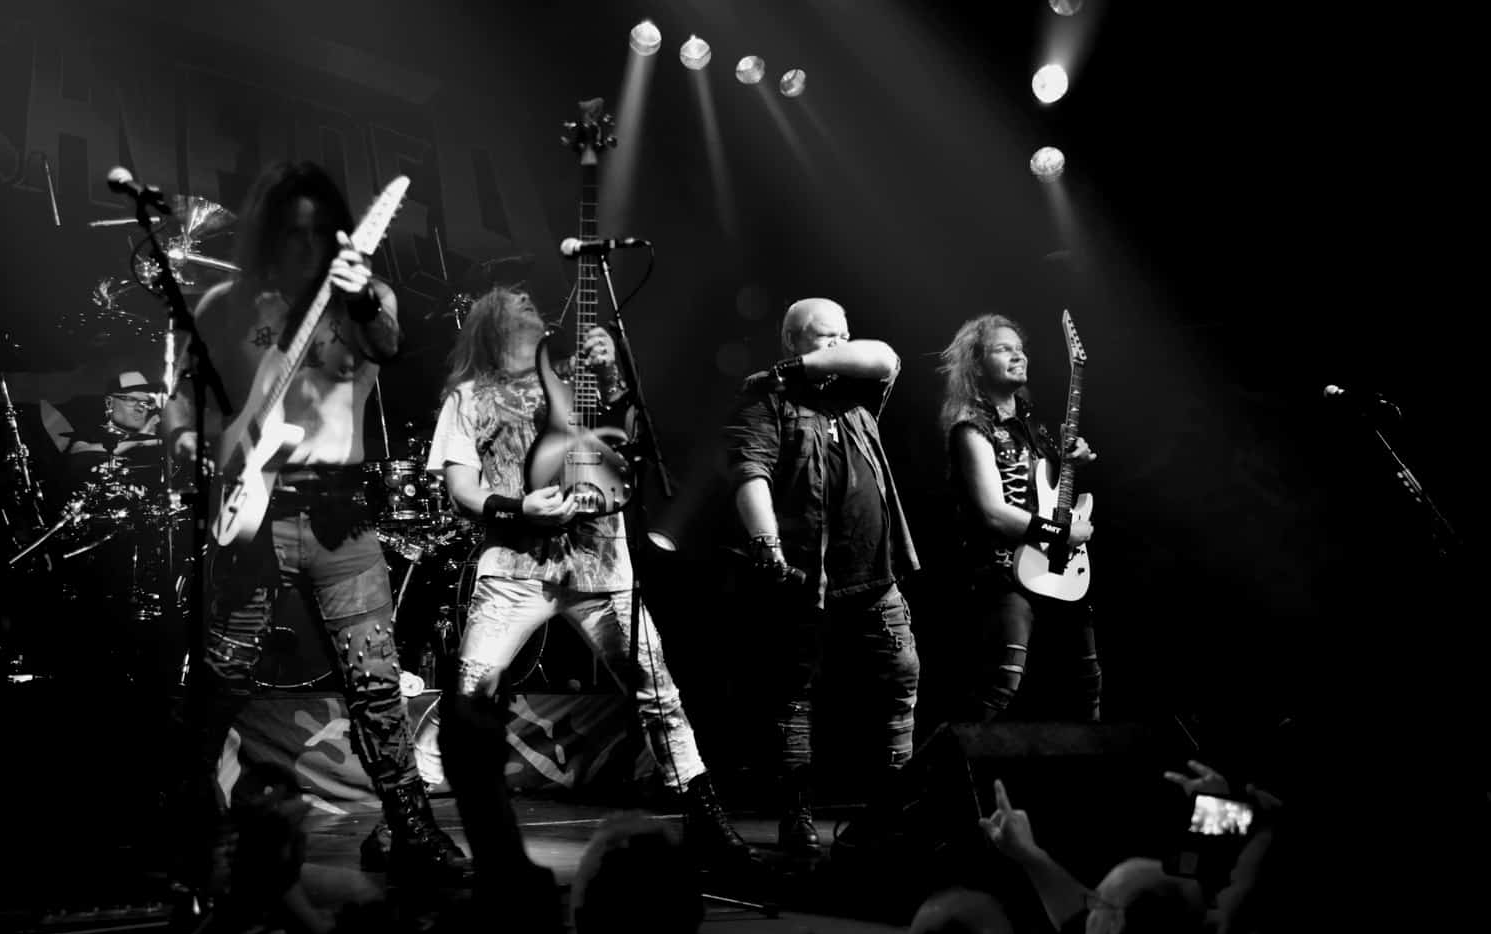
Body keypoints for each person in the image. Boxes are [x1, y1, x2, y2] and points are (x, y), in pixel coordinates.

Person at [160, 160, 467, 897]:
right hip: (253, 507)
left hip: (339, 510)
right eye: (290, 232)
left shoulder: (366, 298)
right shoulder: (228, 304)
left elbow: (387, 344)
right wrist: (191, 444)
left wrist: (358, 296)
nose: (304, 245)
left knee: (376, 683)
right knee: (221, 679)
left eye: (317, 231)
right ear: (268, 233)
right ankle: (186, 828)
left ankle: (410, 827)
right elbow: (180, 399)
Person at [425, 285, 750, 866]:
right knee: (470, 697)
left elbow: (635, 445)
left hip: (601, 564)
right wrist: (518, 509)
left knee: (658, 693)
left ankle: (706, 819)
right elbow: (461, 489)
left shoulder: (582, 379)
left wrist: (613, 372)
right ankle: (415, 823)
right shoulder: (468, 397)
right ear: (492, 326)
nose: (531, 305)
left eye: (533, 302)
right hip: (514, 571)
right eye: (517, 304)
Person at [722, 297, 921, 855]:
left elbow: (885, 357)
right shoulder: (765, 398)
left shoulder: (857, 388)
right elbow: (751, 471)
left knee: (899, 680)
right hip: (802, 578)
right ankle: (797, 816)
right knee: (794, 696)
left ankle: (891, 812)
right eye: (824, 335)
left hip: (873, 573)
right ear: (792, 339)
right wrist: (766, 542)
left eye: (842, 335)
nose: (839, 344)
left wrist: (806, 364)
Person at [938, 313, 1101, 723]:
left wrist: (1074, 458)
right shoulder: (971, 429)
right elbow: (993, 513)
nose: (1018, 355)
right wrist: (1061, 532)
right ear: (977, 365)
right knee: (1001, 685)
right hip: (1003, 572)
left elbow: (1050, 493)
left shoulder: (1035, 427)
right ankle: (960, 760)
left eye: (1020, 348)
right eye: (1003, 349)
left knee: (1086, 682)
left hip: (1055, 566)